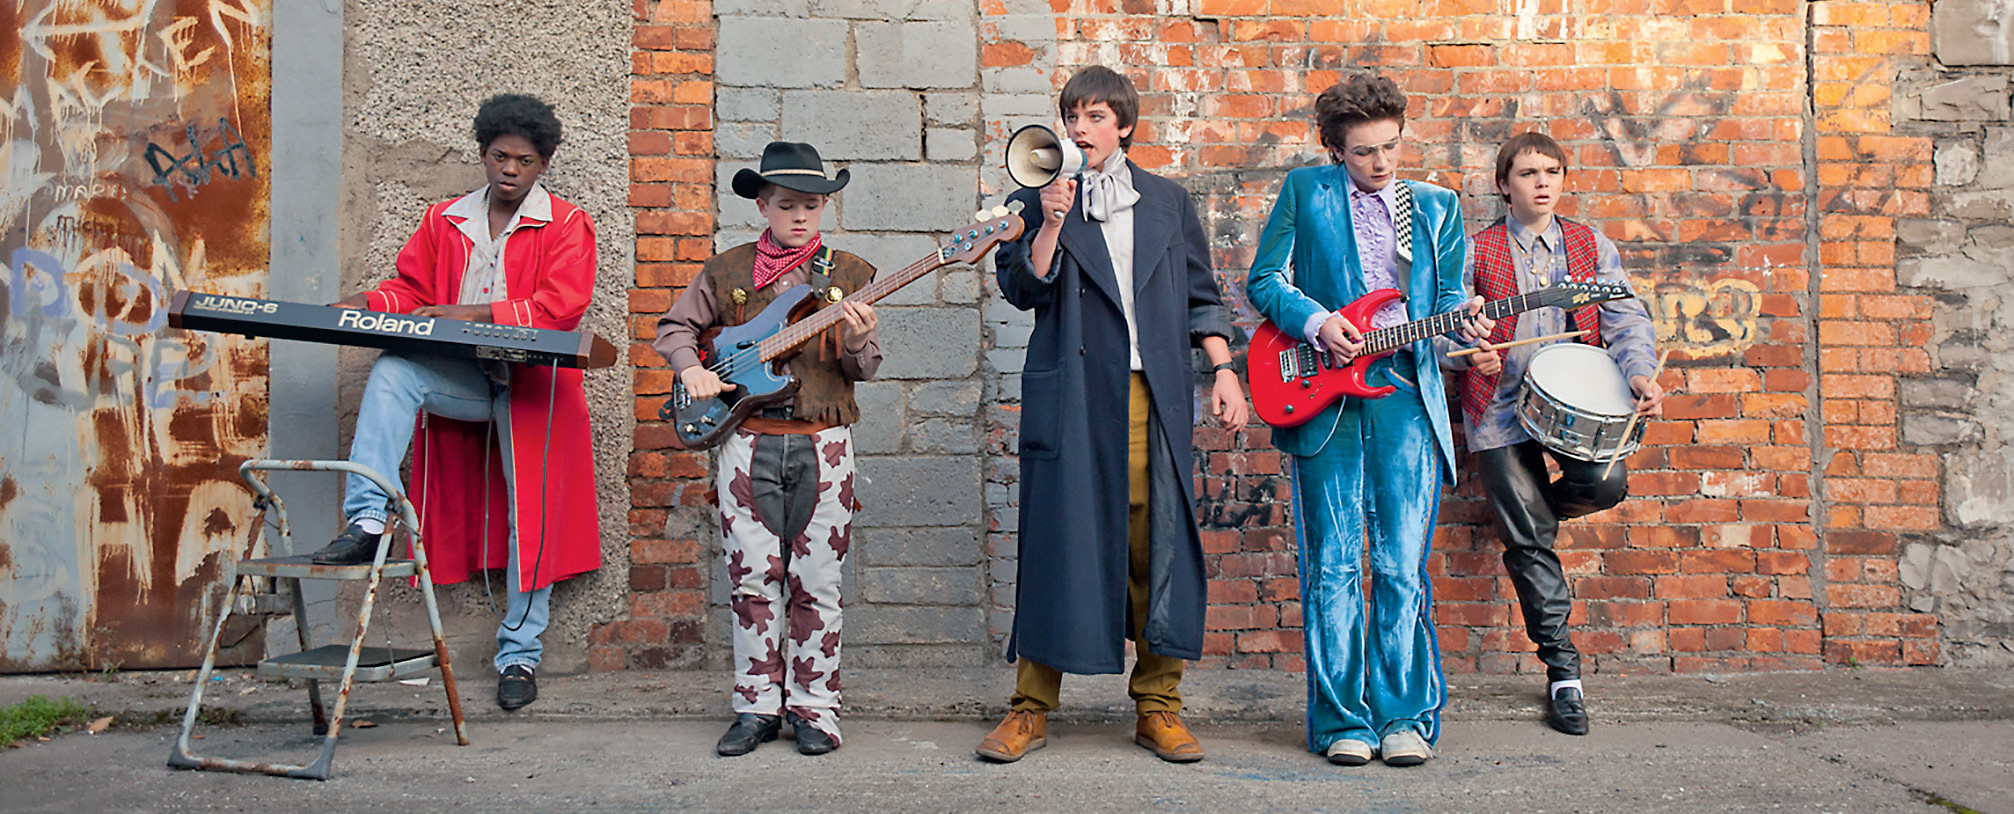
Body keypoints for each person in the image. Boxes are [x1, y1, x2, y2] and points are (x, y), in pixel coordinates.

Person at [978, 65, 1249, 765]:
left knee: (1155, 543)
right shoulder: (1035, 197)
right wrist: (1052, 218)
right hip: (1072, 388)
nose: (1079, 129)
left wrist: (1224, 370)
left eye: (1095, 117)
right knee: (1058, 539)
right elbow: (1024, 288)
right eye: (1072, 116)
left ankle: (1158, 706)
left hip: (1150, 392)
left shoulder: (1165, 201)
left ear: (1123, 126)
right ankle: (1030, 707)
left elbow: (1200, 295)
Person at [310, 94, 601, 712]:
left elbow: (561, 308)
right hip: (466, 382)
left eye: (525, 160)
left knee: (531, 519)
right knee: (394, 371)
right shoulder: (445, 219)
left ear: (544, 163)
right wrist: (367, 302)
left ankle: (519, 655)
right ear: (483, 153)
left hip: (531, 388)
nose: (510, 170)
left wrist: (471, 313)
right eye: (499, 156)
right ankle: (368, 521)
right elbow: (411, 289)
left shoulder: (566, 224)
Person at [1244, 73, 1492, 767]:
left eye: (1391, 146)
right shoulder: (1305, 192)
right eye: (1363, 152)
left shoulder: (1435, 207)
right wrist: (1318, 323)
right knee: (1332, 566)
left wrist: (1464, 325)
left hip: (1405, 392)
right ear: (1335, 150)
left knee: (1400, 565)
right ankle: (1341, 722)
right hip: (1323, 392)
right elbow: (1264, 280)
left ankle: (1405, 717)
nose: (1381, 163)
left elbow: (1448, 301)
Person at [652, 141, 880, 757]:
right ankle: (755, 707)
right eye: (786, 205)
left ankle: (816, 709)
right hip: (747, 438)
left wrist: (856, 342)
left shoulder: (849, 275)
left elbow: (864, 369)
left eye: (811, 205)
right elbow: (673, 328)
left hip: (823, 442)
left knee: (818, 579)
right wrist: (691, 369)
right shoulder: (725, 271)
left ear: (824, 208)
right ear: (762, 206)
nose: (800, 216)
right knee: (751, 577)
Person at [1440, 131, 1664, 736]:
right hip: (1498, 406)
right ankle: (1564, 674)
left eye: (1552, 171)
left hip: (1574, 402)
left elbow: (1626, 318)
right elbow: (1447, 327)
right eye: (1527, 172)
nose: (1542, 182)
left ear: (1564, 179)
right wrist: (1469, 352)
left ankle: (1527, 519)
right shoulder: (1474, 250)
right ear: (1503, 184)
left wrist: (1639, 372)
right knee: (1532, 544)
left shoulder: (1591, 245)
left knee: (1606, 482)